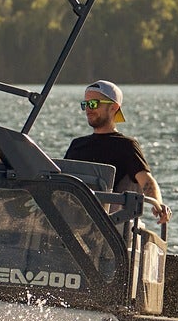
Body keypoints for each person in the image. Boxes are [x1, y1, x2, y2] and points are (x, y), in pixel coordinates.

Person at [65, 79, 170, 227]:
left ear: (114, 107)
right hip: (74, 224)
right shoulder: (77, 145)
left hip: (112, 229)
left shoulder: (126, 146)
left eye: (94, 103)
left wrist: (158, 205)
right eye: (85, 104)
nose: (88, 108)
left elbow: (146, 181)